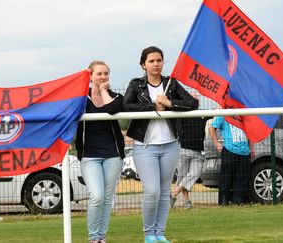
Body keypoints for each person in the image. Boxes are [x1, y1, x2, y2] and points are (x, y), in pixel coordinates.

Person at [123, 46, 198, 243]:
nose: (156, 64)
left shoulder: (171, 84)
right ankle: (149, 234)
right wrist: (153, 106)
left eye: (159, 60)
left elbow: (192, 103)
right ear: (143, 64)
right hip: (145, 147)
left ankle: (160, 234)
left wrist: (170, 103)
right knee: (152, 190)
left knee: (165, 191)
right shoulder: (136, 84)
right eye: (151, 61)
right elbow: (126, 105)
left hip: (170, 145)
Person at [75, 61, 125, 243]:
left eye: (106, 74)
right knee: (96, 196)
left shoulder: (116, 97)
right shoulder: (80, 99)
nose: (103, 77)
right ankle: (93, 237)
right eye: (99, 74)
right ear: (90, 76)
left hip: (113, 155)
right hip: (90, 156)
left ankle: (101, 238)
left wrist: (104, 91)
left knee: (106, 198)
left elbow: (111, 109)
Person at [170, 93, 209, 209]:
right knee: (182, 176)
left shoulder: (202, 114)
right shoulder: (182, 114)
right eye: (193, 99)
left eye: (197, 100)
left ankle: (173, 194)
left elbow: (214, 114)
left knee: (195, 174)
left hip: (197, 152)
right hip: (183, 150)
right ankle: (187, 202)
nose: (195, 102)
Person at [208, 116, 254, 206]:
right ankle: (223, 201)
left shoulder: (244, 114)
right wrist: (217, 143)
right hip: (229, 150)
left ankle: (238, 201)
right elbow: (211, 128)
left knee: (241, 179)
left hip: (245, 152)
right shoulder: (224, 113)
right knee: (226, 178)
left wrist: (251, 148)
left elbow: (250, 132)